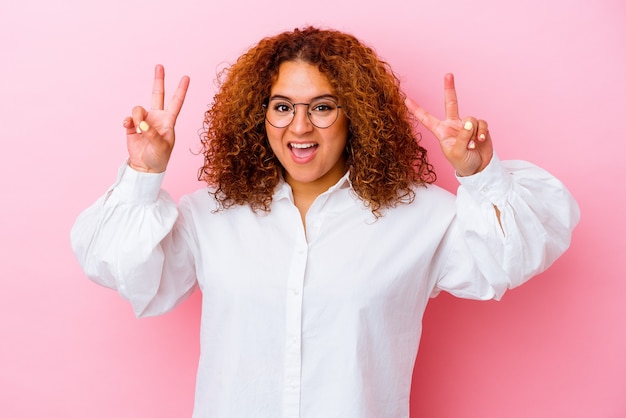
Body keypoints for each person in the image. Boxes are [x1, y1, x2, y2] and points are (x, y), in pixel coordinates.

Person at [71, 26, 580, 418]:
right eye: (282, 106)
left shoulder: (423, 217)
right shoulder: (210, 215)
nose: (300, 125)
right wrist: (144, 171)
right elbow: (129, 273)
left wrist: (480, 176)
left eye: (322, 106)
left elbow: (510, 259)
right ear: (258, 115)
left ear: (355, 113)